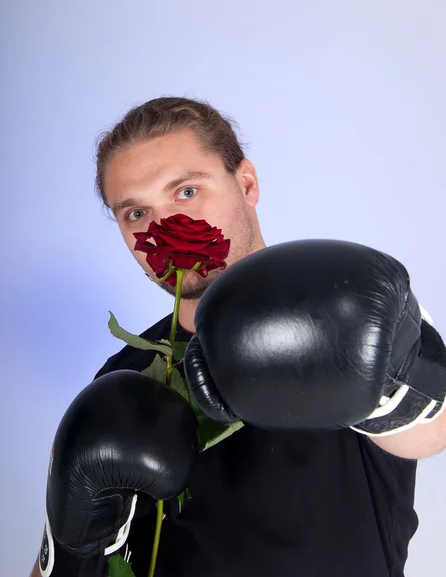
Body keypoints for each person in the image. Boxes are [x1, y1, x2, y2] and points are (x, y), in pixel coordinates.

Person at [30, 96, 446, 577]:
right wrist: (77, 543)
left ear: (245, 182)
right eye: (136, 214)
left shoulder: (344, 302)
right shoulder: (122, 379)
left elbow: (434, 431)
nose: (165, 228)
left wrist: (363, 369)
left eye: (186, 192)